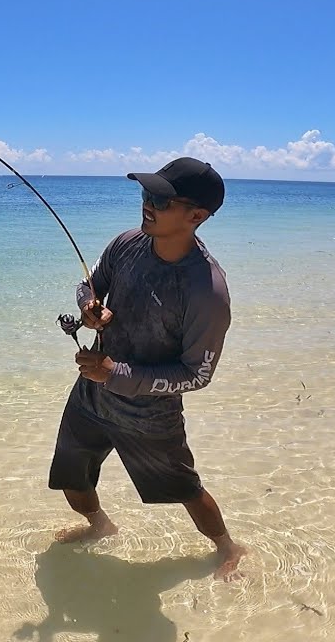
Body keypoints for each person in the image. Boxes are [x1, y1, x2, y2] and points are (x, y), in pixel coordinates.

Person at [48, 156, 247, 581]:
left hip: (149, 412)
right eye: (146, 193)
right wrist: (89, 308)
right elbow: (91, 283)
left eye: (161, 198)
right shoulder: (126, 243)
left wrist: (116, 373)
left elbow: (197, 374)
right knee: (71, 476)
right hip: (90, 395)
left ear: (196, 216)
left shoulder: (207, 291)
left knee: (184, 489)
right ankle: (99, 525)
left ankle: (228, 548)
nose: (148, 203)